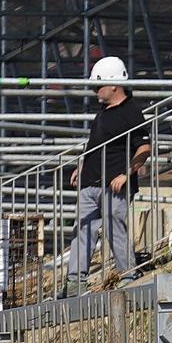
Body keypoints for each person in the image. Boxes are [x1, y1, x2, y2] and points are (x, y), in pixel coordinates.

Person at [64, 56, 152, 295]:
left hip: (115, 183)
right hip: (90, 182)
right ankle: (75, 281)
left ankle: (128, 273)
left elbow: (143, 148)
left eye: (98, 85)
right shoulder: (101, 113)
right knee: (82, 229)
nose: (95, 91)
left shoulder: (131, 112)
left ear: (114, 85)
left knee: (115, 227)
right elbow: (94, 144)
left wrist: (127, 173)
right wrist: (82, 167)